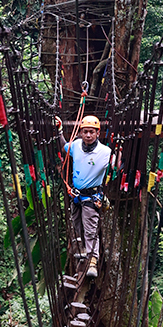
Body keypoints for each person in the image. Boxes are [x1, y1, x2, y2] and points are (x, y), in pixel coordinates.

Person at [56, 114, 112, 277]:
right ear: (80, 132)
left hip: (92, 197)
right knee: (76, 224)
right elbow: (65, 147)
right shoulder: (77, 146)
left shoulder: (105, 152)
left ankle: (93, 262)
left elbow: (115, 165)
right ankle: (82, 252)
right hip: (76, 195)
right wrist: (59, 131)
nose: (88, 135)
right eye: (85, 132)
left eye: (91, 132)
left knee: (90, 229)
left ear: (97, 134)